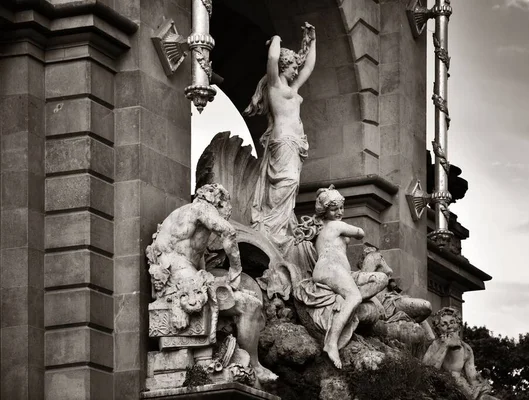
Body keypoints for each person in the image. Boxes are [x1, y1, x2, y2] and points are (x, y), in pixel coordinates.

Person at [146, 184, 277, 382]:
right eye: (226, 211)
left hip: (174, 278)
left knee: (242, 299)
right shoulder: (202, 208)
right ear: (219, 203)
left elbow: (198, 267)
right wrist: (235, 271)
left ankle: (237, 359)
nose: (225, 216)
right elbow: (229, 233)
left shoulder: (181, 217)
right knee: (250, 305)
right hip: (183, 282)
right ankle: (255, 366)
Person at [296, 186, 389, 368]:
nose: (339, 212)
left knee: (380, 279)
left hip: (342, 273)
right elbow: (361, 233)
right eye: (334, 209)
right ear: (325, 210)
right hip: (330, 269)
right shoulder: (336, 225)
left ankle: (343, 298)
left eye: (341, 208)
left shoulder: (326, 227)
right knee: (354, 297)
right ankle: (331, 343)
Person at [243, 22, 316, 246]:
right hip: (283, 141)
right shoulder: (275, 86)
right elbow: (272, 59)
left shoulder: (292, 90)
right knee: (288, 181)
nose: (296, 71)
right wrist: (275, 39)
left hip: (296, 144)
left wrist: (313, 40)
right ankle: (271, 228)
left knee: (292, 184)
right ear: (284, 66)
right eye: (293, 66)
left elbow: (309, 68)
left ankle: (281, 228)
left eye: (296, 67)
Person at [423, 307, 498, 400]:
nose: (449, 326)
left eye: (452, 322)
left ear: (458, 325)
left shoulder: (466, 349)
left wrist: (481, 376)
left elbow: (472, 378)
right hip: (439, 388)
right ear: (438, 329)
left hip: (463, 390)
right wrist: (446, 345)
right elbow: (428, 370)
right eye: (444, 324)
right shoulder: (435, 345)